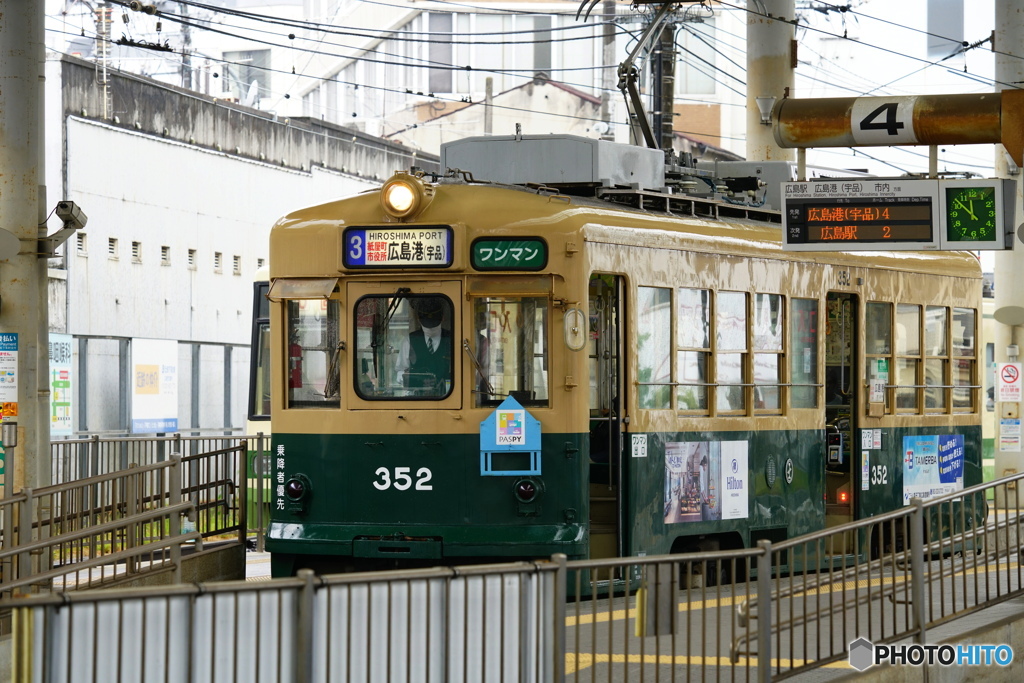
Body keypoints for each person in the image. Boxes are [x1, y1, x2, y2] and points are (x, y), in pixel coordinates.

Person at [396, 297, 452, 392]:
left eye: (434, 324)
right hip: (418, 397)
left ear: (442, 318)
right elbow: (400, 371)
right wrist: (416, 380)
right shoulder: (409, 341)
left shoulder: (452, 339)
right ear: (418, 319)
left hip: (449, 396)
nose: (430, 329)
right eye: (426, 324)